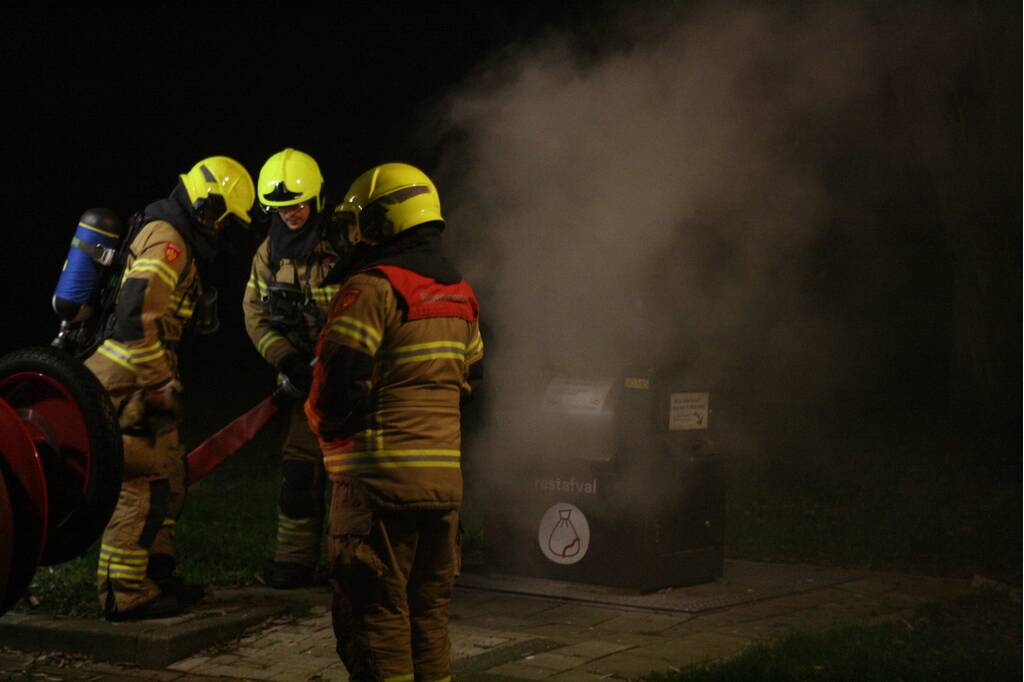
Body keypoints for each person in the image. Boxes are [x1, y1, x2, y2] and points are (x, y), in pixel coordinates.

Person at [305, 163, 484, 681]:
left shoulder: (371, 289)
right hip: (443, 489)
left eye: (358, 223)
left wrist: (324, 431)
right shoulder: (461, 293)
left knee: (375, 621)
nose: (352, 236)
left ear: (382, 222)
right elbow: (472, 382)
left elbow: (337, 386)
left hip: (377, 490)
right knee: (428, 621)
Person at [86, 156, 255, 620]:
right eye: (222, 219)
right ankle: (122, 593)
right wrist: (159, 381)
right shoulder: (169, 241)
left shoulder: (176, 236)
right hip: (131, 377)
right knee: (141, 482)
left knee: (169, 477)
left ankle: (156, 574)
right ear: (207, 205)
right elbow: (135, 317)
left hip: (147, 373)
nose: (222, 230)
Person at [243, 148, 346, 588]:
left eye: (299, 204)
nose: (291, 213)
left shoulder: (344, 243)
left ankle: (349, 562)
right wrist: (285, 358)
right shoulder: (269, 254)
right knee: (299, 474)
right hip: (303, 383)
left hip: (348, 380)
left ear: (316, 199)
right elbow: (254, 315)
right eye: (281, 207)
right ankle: (294, 561)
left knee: (351, 476)